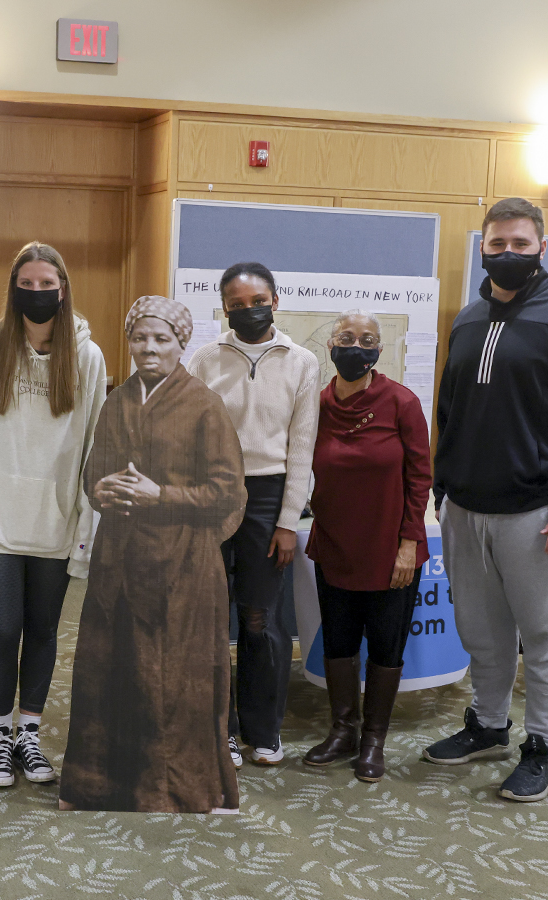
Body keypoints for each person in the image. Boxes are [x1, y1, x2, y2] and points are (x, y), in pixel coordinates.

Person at [423, 197, 548, 803]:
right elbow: (451, 408)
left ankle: (543, 744)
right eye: (497, 244)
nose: (507, 254)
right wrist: (442, 483)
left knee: (545, 636)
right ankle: (487, 725)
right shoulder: (468, 317)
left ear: (542, 248)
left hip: (540, 513)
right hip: (465, 508)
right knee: (480, 631)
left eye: (520, 244)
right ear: (482, 247)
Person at [59, 296, 247, 813]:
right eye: (140, 338)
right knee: (111, 673)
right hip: (119, 558)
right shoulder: (116, 401)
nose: (149, 348)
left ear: (181, 344)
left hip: (183, 566)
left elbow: (228, 493)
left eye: (162, 339)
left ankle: (170, 789)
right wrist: (106, 491)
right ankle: (103, 785)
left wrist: (160, 494)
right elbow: (91, 473)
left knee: (175, 678)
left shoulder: (204, 404)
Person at [0, 242, 107, 789]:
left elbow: (94, 444)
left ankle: (29, 733)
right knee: (3, 628)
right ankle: (0, 737)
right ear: (13, 288)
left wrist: (88, 519)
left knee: (42, 630)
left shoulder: (87, 356)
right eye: (27, 284)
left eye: (47, 285)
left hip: (56, 519)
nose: (37, 294)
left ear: (64, 289)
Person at [186, 261, 318, 767]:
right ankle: (216, 730)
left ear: (275, 300)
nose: (248, 310)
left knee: (260, 618)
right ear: (224, 308)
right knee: (213, 618)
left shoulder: (302, 361)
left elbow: (302, 449)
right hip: (213, 493)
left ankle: (264, 730)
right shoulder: (204, 359)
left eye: (257, 300)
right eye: (236, 304)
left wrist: (288, 523)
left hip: (269, 498)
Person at [301, 310, 431, 782]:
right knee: (337, 641)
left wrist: (408, 545)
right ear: (331, 343)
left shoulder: (401, 402)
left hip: (391, 550)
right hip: (334, 544)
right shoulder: (315, 405)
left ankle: (373, 738)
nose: (357, 346)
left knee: (385, 645)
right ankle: (343, 731)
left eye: (368, 339)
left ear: (379, 350)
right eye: (347, 337)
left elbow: (421, 479)